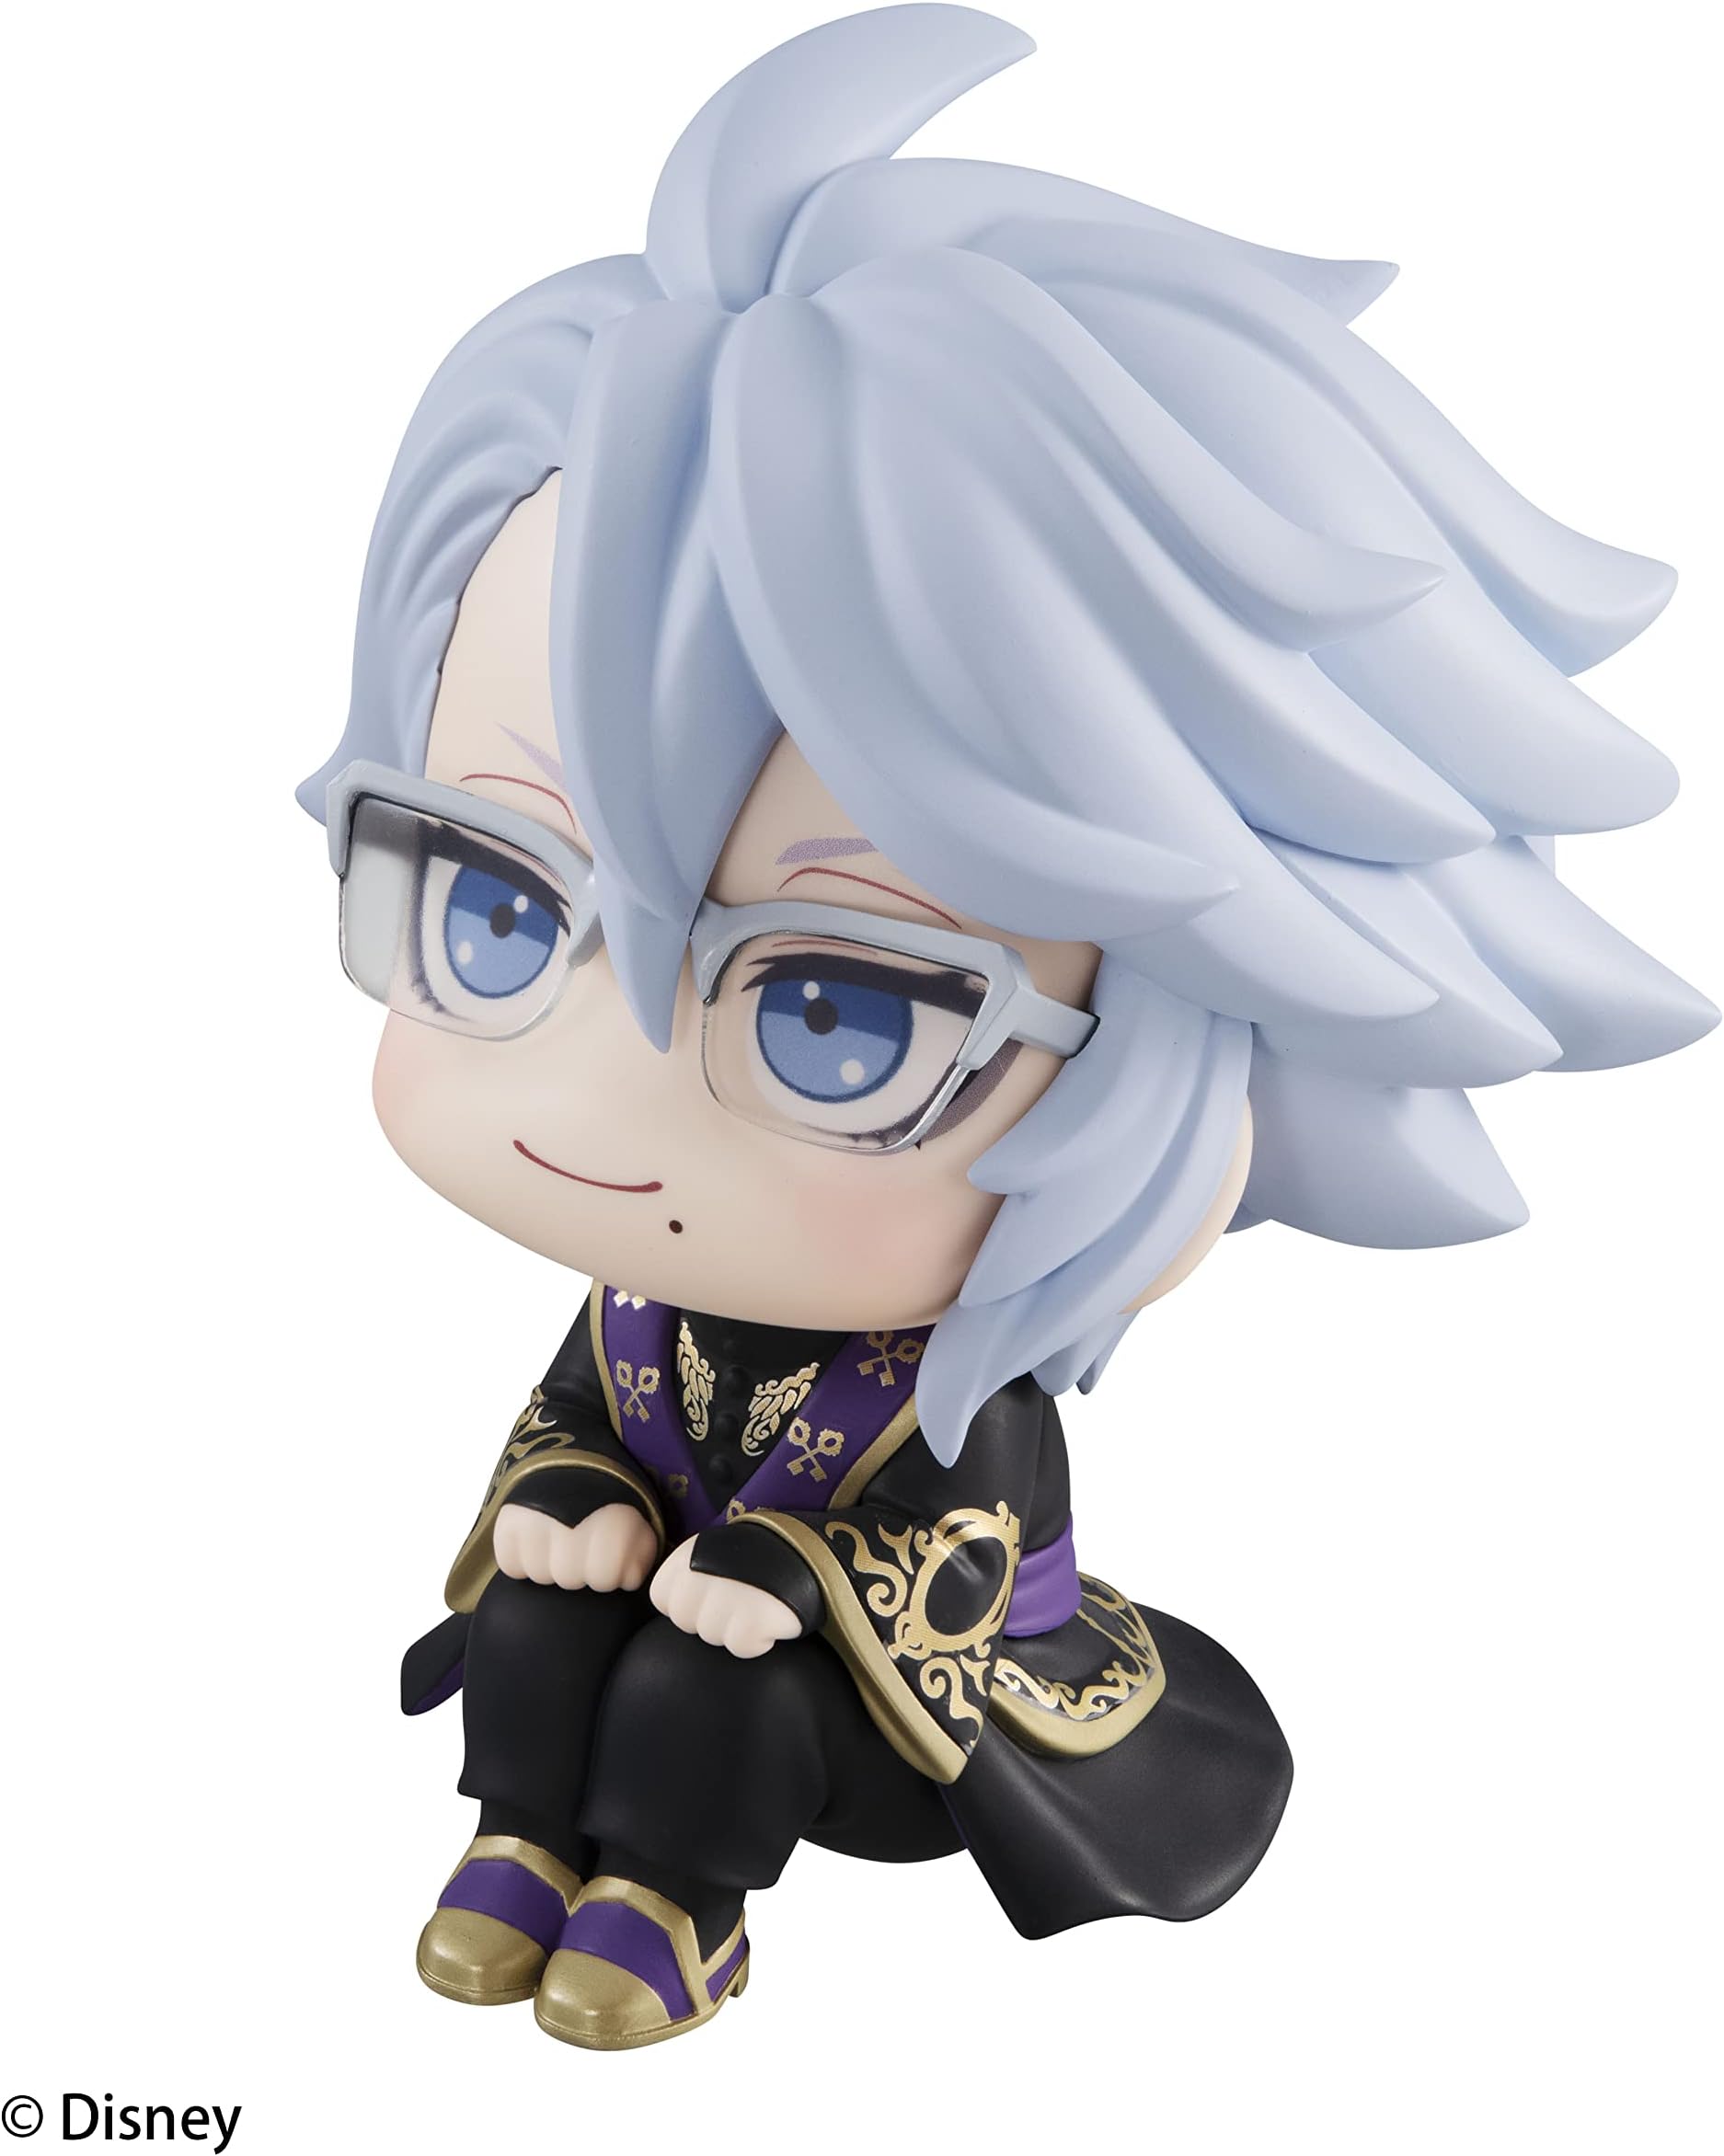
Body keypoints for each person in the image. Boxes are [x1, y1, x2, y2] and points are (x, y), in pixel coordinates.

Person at [303, 6, 1715, 2051]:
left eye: (836, 1012)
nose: (601, 1097)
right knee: (528, 1615)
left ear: (1172, 1034)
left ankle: (677, 1905)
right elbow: (575, 1415)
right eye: (500, 906)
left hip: (871, 1700)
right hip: (662, 1598)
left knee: (710, 1689)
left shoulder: (945, 1373)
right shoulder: (638, 1306)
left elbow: (967, 1546)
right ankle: (519, 1839)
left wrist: (780, 1574)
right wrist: (571, 1496)